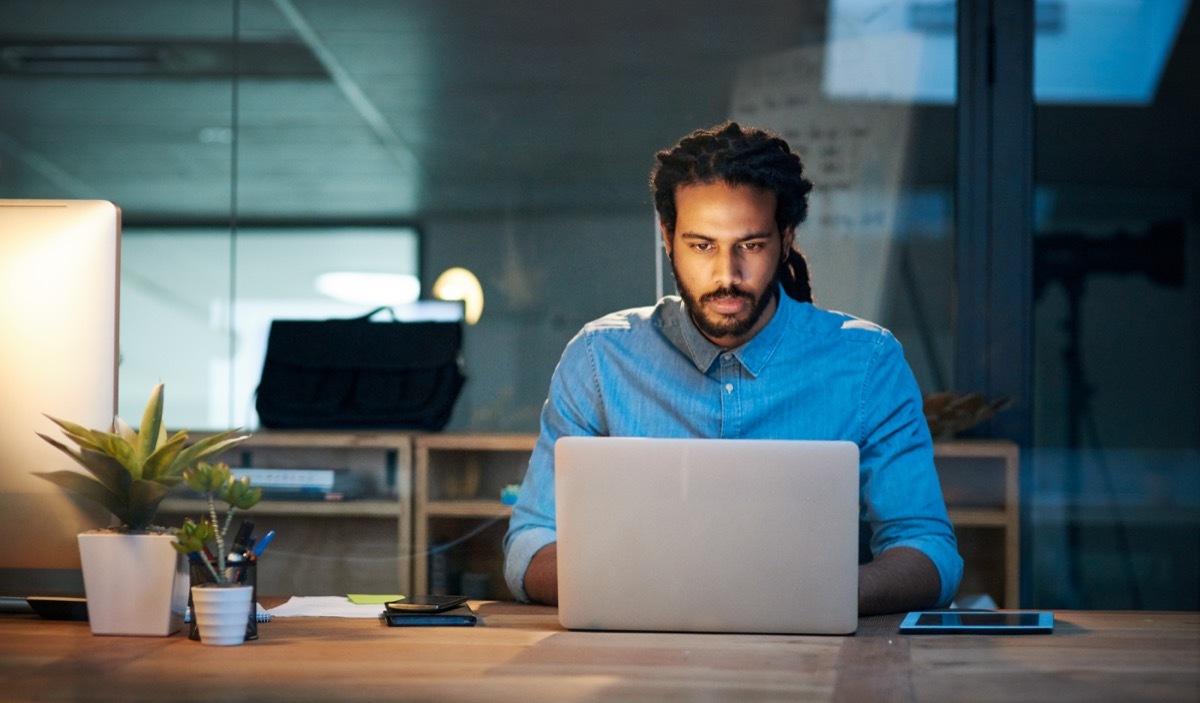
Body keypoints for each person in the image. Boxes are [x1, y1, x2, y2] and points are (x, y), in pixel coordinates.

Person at [502, 121, 962, 615]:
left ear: (785, 239)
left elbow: (929, 549)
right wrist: (642, 584)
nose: (726, 275)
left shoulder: (869, 363)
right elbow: (529, 544)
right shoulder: (599, 359)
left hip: (810, 665)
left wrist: (825, 593)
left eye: (751, 245)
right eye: (702, 245)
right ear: (668, 236)